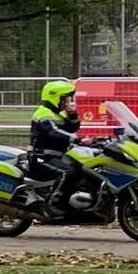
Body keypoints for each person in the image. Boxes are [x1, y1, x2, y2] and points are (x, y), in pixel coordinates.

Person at [27, 80, 85, 215]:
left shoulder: (58, 115)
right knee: (67, 172)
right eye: (64, 99)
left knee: (81, 170)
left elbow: (70, 128)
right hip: (41, 158)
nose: (66, 102)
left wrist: (72, 115)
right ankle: (51, 204)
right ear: (54, 98)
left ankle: (70, 204)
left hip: (55, 157)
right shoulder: (43, 114)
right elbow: (54, 132)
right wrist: (78, 139)